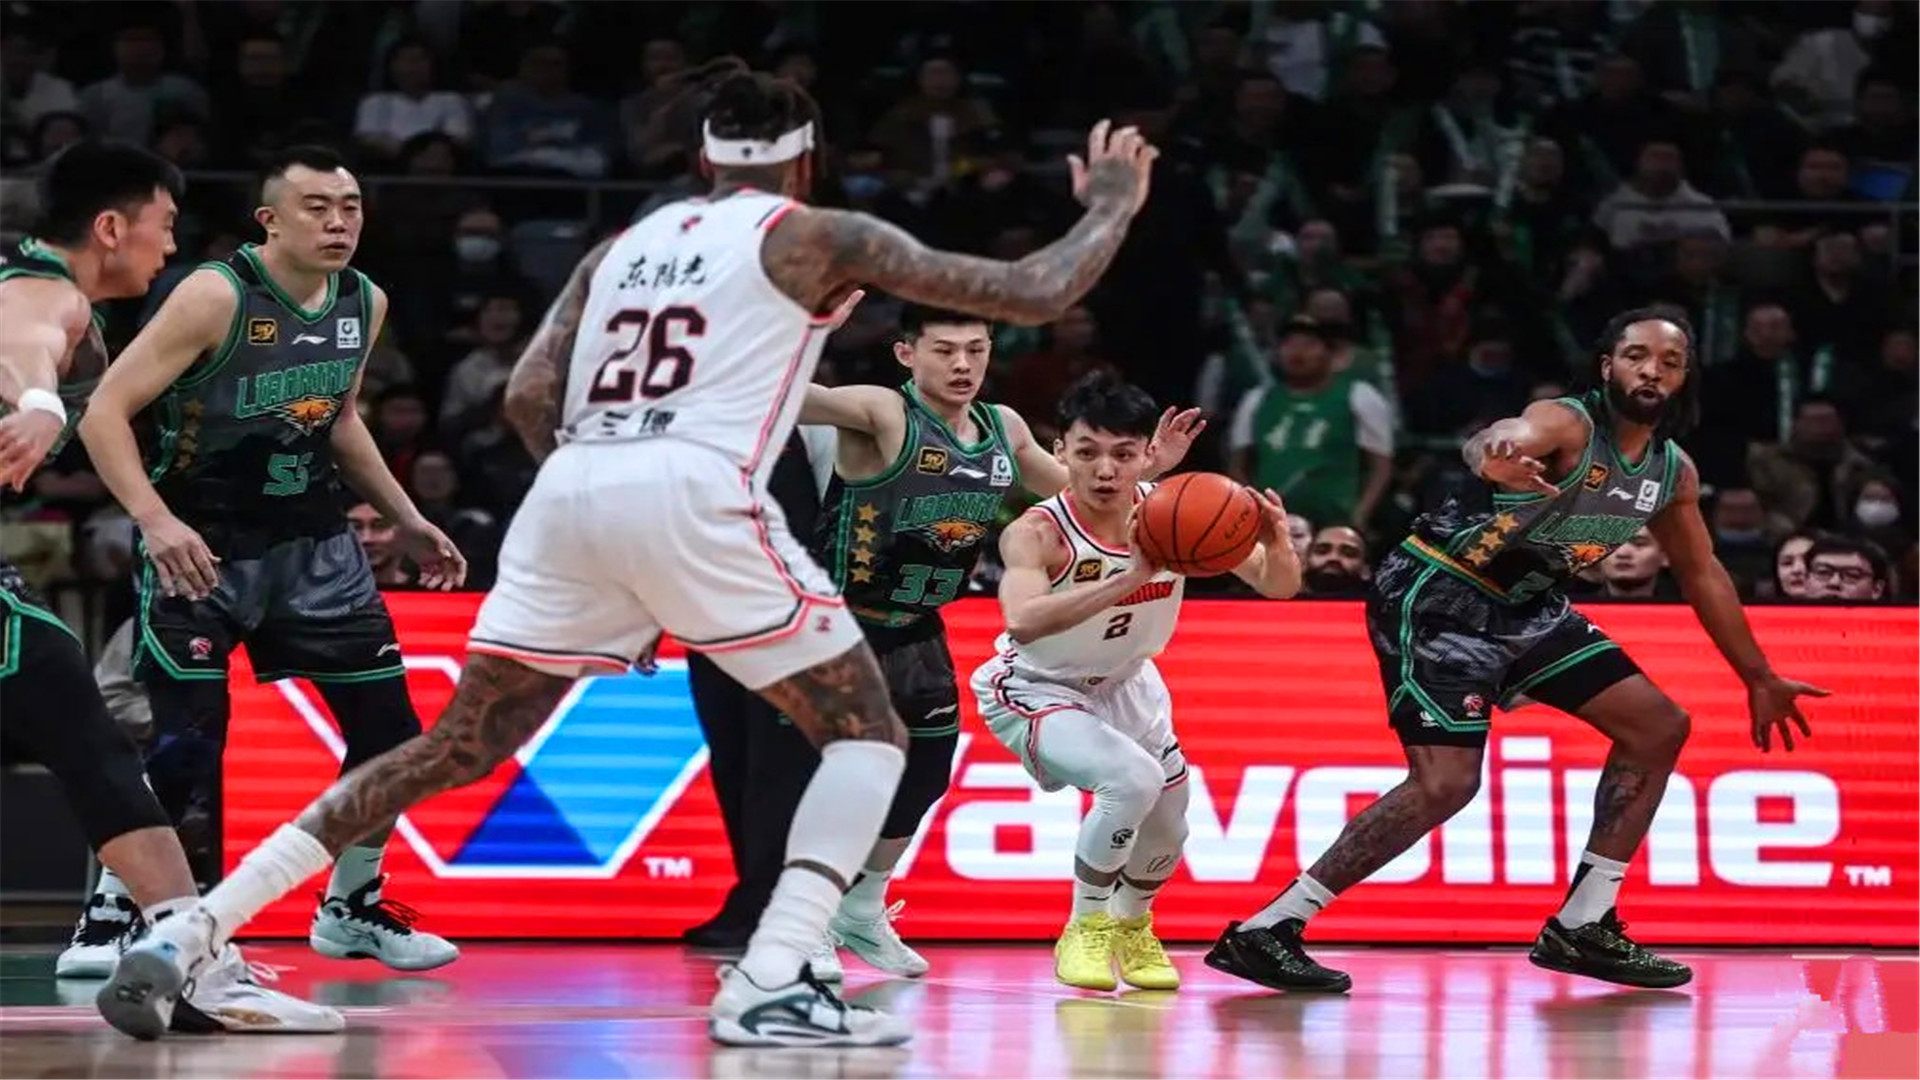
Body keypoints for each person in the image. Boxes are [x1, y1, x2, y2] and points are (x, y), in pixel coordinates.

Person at [100, 58, 1157, 1047]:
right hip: (693, 486)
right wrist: (1112, 203)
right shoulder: (811, 232)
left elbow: (528, 395)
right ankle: (777, 976)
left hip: (572, 489)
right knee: (870, 734)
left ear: (703, 158)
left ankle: (192, 928)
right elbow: (1034, 291)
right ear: (804, 160)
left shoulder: (624, 245)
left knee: (448, 749)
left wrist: (612, 552)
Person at [1207, 308, 1830, 993]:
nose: (1652, 370)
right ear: (1607, 366)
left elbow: (1702, 571)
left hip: (1529, 606)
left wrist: (1758, 675)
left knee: (1658, 726)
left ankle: (1582, 924)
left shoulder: (1670, 472)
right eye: (1636, 356)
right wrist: (1495, 455)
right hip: (1441, 592)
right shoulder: (1565, 424)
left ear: (1684, 378)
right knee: (1446, 784)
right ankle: (1268, 929)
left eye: (1670, 362)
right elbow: (1502, 437)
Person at [76, 144, 465, 976]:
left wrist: (407, 518)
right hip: (201, 545)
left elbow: (341, 420)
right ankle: (111, 912)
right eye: (317, 207)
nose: (338, 222)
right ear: (271, 221)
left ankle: (351, 906)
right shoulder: (215, 294)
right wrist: (153, 519)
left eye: (350, 207)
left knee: (393, 735)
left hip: (315, 545)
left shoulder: (364, 299)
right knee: (187, 740)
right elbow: (104, 411)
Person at [0, 139, 336, 1032]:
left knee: (84, 732)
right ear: (112, 228)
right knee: (86, 736)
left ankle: (182, 950)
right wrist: (37, 402)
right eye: (166, 223)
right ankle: (197, 964)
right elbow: (24, 339)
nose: (171, 244)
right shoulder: (46, 288)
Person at [795, 305, 1201, 980]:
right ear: (906, 354)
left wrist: (1147, 466)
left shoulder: (1002, 427)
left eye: (975, 350)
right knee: (832, 776)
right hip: (841, 624)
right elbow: (788, 396)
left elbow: (1081, 489)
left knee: (924, 778)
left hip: (918, 626)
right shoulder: (881, 411)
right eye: (944, 350)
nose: (962, 365)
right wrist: (799, 332)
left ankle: (860, 910)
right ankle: (804, 921)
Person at [971, 373, 1300, 992]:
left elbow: (1279, 586)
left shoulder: (1175, 512)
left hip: (1128, 683)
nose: (1104, 470)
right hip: (1037, 686)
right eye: (1087, 452)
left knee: (1171, 824)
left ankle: (1131, 923)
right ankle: (1085, 925)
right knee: (1131, 781)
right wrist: (1131, 576)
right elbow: (1022, 620)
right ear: (1060, 450)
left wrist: (1277, 543)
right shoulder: (1038, 532)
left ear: (1146, 455)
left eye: (1123, 455)